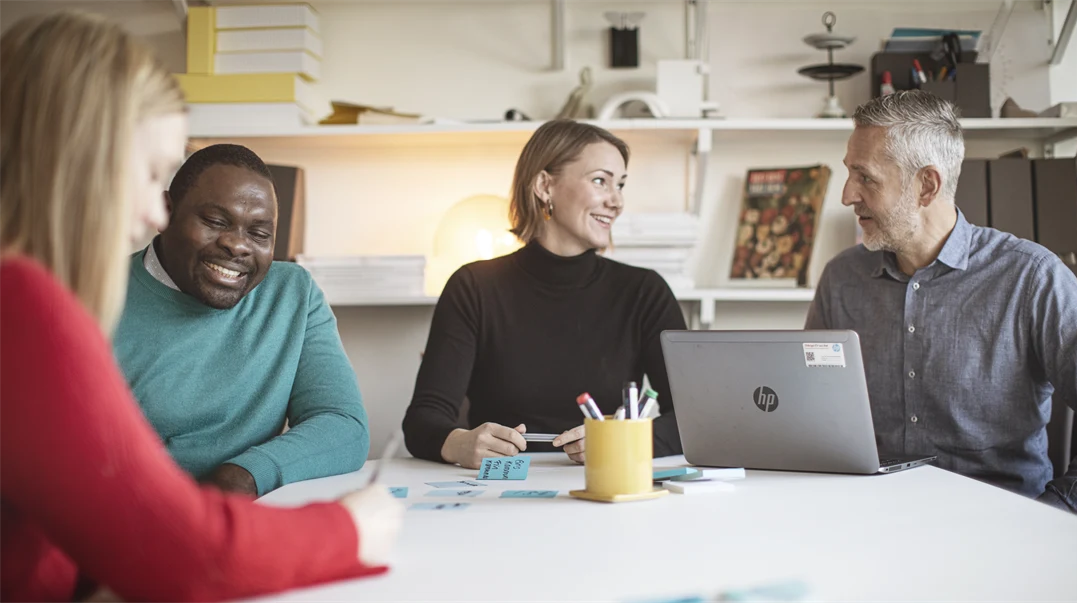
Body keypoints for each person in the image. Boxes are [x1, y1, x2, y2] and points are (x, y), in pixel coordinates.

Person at [0, 12, 402, 602]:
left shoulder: (30, 295)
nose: (154, 216)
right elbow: (184, 552)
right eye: (150, 175)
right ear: (81, 160)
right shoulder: (25, 304)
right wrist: (348, 531)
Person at [805, 90, 1077, 513]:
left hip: (1001, 531)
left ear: (926, 185)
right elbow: (810, 414)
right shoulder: (841, 279)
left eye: (866, 177)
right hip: (867, 523)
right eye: (849, 174)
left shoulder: (1033, 278)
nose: (846, 195)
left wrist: (1055, 511)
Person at [402, 119, 687, 469]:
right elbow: (423, 420)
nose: (616, 201)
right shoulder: (474, 287)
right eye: (600, 180)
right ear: (544, 185)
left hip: (607, 488)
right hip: (501, 494)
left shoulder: (645, 292)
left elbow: (695, 419)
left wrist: (620, 442)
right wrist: (459, 443)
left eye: (620, 185)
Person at [113, 143, 369, 497]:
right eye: (216, 222)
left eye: (259, 234)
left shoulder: (293, 294)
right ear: (166, 212)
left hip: (239, 520)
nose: (238, 245)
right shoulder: (98, 294)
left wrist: (243, 476)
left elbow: (343, 426)